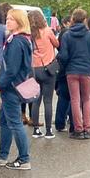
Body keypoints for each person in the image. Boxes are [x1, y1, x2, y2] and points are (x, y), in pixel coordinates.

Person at [0, 12, 34, 169]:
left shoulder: (17, 42)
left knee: (15, 123)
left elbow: (11, 69)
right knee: (5, 120)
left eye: (11, 19)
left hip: (11, 87)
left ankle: (24, 159)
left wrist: (1, 84)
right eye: (7, 19)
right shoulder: (22, 39)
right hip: (14, 86)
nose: (7, 21)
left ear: (19, 22)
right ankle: (3, 155)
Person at [59, 9, 90, 139]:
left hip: (71, 71)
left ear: (73, 19)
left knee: (75, 99)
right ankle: (87, 129)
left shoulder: (67, 35)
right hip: (86, 70)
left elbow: (63, 56)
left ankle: (78, 129)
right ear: (85, 20)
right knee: (86, 99)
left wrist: (66, 66)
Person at [26, 8, 60, 138]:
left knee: (36, 101)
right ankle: (49, 130)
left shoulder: (28, 34)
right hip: (48, 69)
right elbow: (57, 44)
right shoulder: (47, 31)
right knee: (48, 101)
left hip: (34, 70)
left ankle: (36, 130)